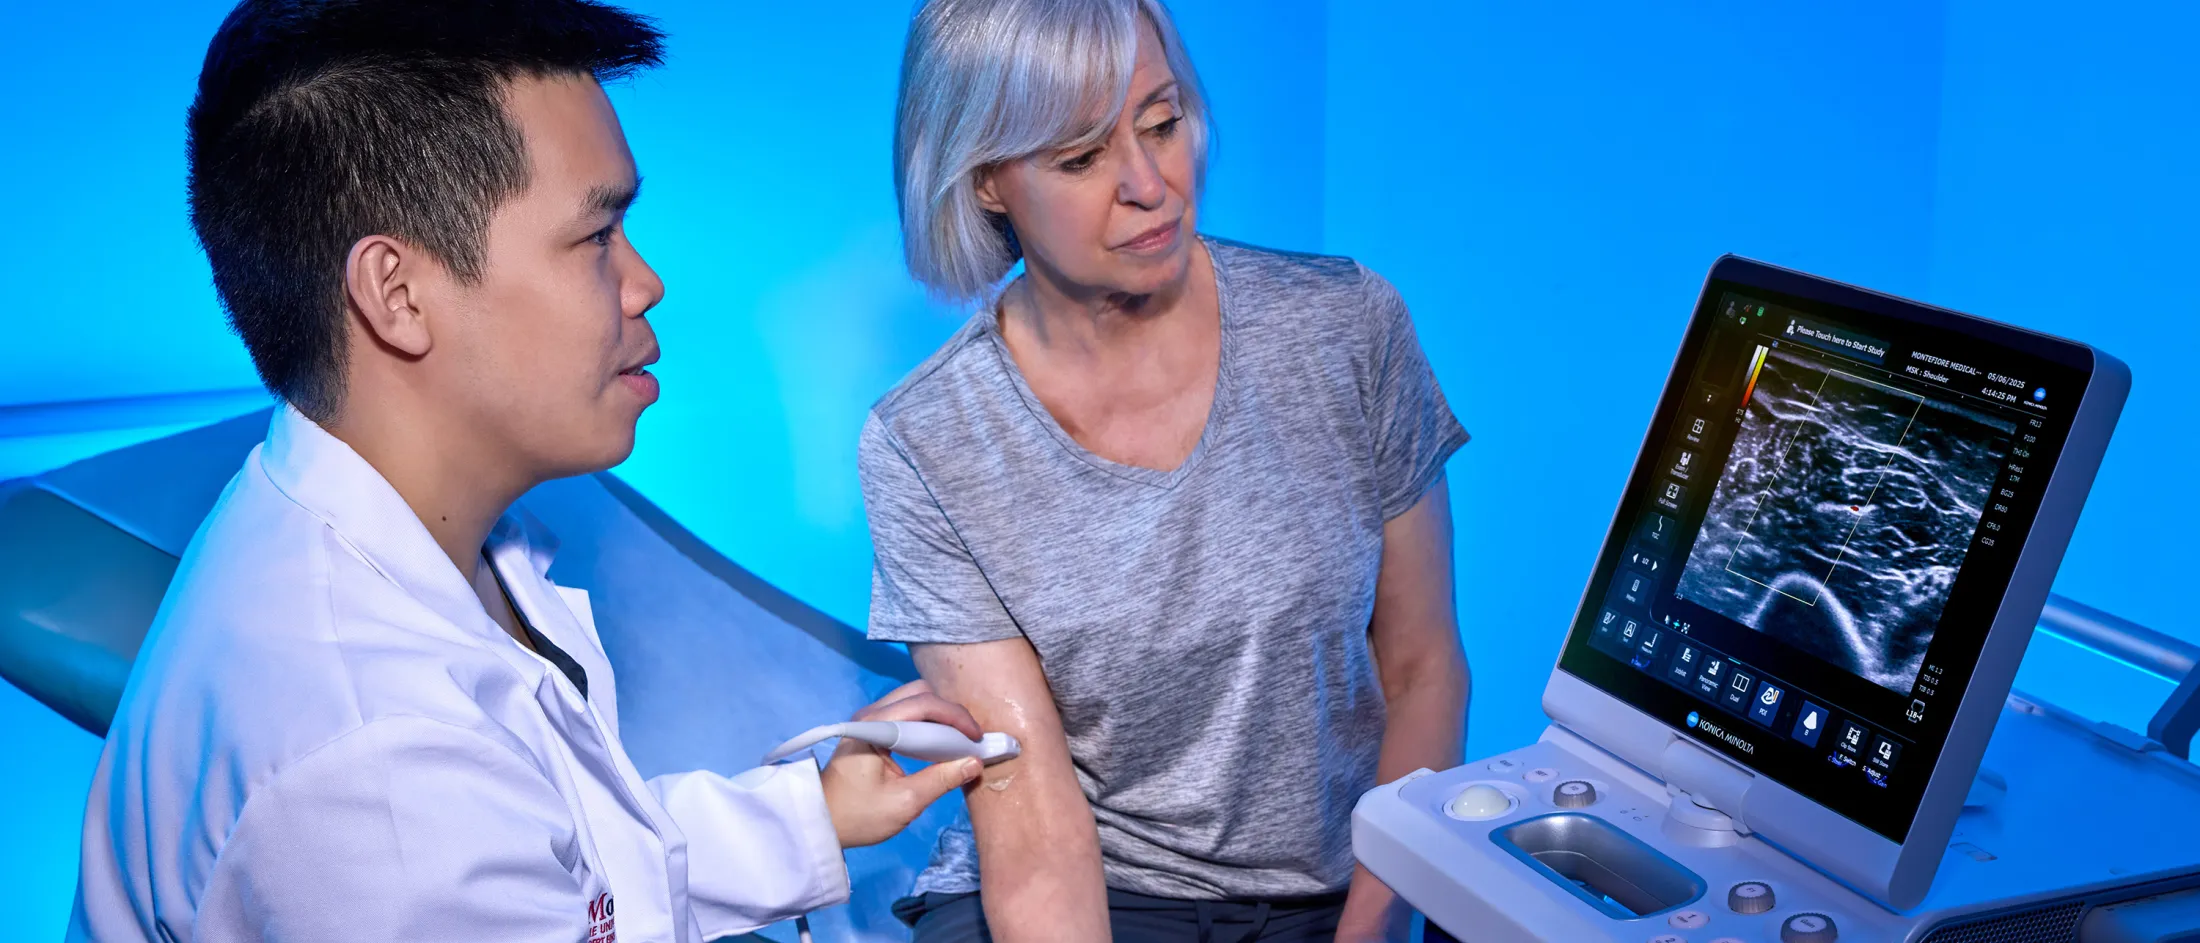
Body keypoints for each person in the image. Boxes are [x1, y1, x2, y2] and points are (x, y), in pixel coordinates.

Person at [71, 2, 981, 940]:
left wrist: (808, 817)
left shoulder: (376, 511)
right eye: (596, 237)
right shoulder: (374, 783)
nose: (645, 281)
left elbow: (568, 872)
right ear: (397, 294)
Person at [863, 0, 1473, 940]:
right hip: (1095, 884)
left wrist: (1375, 923)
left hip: (1348, 877)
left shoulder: (1349, 327)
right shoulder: (927, 440)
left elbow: (1424, 664)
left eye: (1162, 121)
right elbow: (1034, 825)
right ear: (988, 180)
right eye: (1080, 156)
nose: (1151, 184)